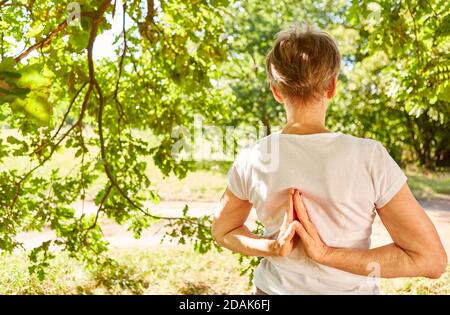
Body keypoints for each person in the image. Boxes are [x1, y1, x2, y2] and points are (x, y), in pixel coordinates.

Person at [211, 25, 447, 294]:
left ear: (276, 91)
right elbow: (430, 260)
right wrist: (326, 255)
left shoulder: (252, 158)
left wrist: (273, 247)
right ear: (332, 86)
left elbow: (222, 230)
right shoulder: (369, 157)